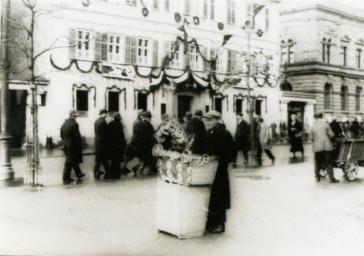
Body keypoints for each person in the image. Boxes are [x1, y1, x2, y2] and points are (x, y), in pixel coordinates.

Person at [202, 110, 237, 234]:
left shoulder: (224, 133)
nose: (208, 122)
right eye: (206, 119)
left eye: (210, 120)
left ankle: (220, 224)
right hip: (208, 169)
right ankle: (211, 222)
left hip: (219, 171)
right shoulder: (207, 133)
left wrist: (222, 160)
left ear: (217, 120)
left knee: (220, 197)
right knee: (211, 197)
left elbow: (232, 150)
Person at [126, 111, 157, 176]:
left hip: (137, 145)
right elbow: (150, 136)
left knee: (142, 159)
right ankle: (147, 172)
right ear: (148, 118)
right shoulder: (148, 125)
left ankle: (136, 167)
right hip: (145, 146)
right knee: (149, 159)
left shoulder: (138, 124)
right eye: (150, 118)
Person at [311, 113, 339, 183]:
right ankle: (331, 179)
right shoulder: (326, 125)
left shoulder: (313, 126)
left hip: (317, 147)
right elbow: (332, 135)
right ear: (322, 117)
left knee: (317, 162)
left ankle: (317, 177)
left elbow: (312, 138)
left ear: (316, 118)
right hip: (326, 147)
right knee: (328, 162)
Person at [60, 110, 85, 184]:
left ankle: (79, 174)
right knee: (69, 161)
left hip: (66, 144)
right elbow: (77, 136)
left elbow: (61, 135)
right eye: (76, 115)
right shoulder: (74, 124)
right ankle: (66, 178)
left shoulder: (64, 123)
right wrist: (79, 144)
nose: (76, 116)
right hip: (73, 145)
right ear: (74, 116)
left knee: (73, 160)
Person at [107, 113, 127, 179]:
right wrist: (124, 143)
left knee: (113, 158)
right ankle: (116, 171)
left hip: (112, 144)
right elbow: (121, 135)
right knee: (117, 158)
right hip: (118, 144)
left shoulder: (110, 123)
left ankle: (113, 170)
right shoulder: (119, 124)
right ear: (119, 118)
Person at [94, 109, 111, 180]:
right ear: (102, 114)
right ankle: (95, 170)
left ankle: (107, 169)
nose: (106, 115)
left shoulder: (96, 121)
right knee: (101, 157)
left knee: (102, 156)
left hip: (97, 140)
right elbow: (106, 133)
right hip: (102, 141)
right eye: (105, 113)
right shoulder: (103, 122)